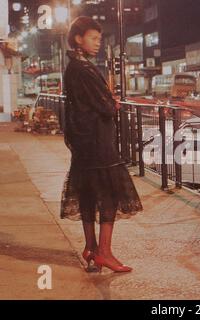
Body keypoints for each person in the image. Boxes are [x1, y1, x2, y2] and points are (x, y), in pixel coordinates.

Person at [60, 16, 143, 273]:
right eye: (93, 38)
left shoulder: (73, 66)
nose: (98, 43)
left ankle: (91, 249)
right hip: (97, 141)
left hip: (83, 141)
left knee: (87, 193)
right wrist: (113, 103)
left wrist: (107, 101)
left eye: (99, 38)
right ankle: (104, 252)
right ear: (78, 38)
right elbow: (106, 106)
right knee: (109, 194)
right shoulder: (84, 69)